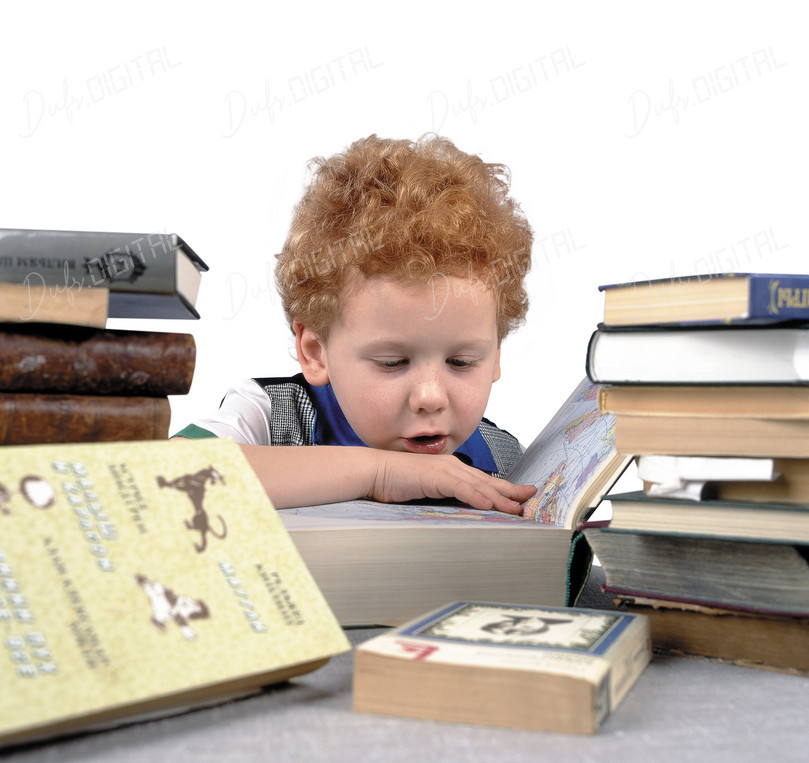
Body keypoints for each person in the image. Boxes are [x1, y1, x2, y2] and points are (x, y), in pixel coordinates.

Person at [174, 134, 537, 513]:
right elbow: (158, 477)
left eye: (461, 362)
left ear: (496, 355)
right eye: (392, 362)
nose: (431, 397)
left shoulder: (504, 458)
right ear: (315, 352)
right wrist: (379, 473)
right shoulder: (270, 415)